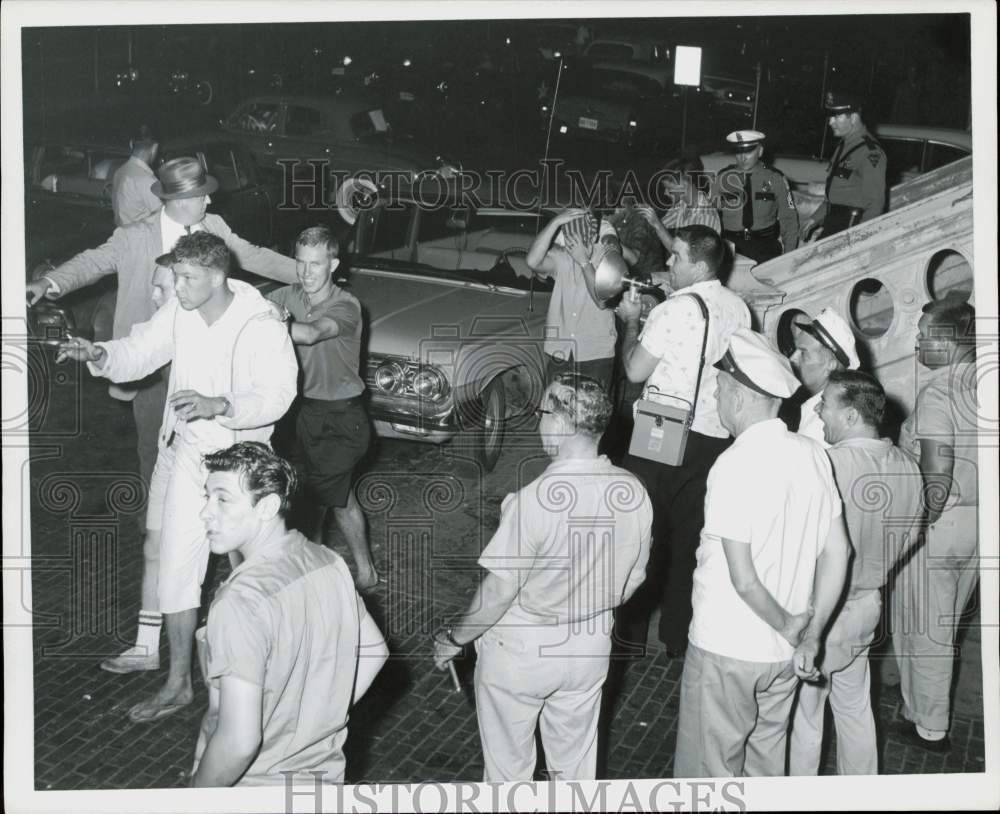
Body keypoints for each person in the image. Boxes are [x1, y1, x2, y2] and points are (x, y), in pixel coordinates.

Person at [56, 232, 298, 723]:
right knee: (176, 570)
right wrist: (99, 354)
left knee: (255, 572)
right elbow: (141, 347)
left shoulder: (261, 323)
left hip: (240, 463)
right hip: (189, 454)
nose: (176, 288)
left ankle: (278, 671)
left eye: (187, 278)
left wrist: (222, 405)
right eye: (176, 277)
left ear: (217, 276)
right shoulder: (182, 312)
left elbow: (280, 395)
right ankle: (178, 683)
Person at [27, 156, 297, 497]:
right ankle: (153, 527)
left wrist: (303, 274)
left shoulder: (214, 226)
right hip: (151, 355)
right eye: (203, 195)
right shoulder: (134, 236)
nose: (210, 200)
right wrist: (49, 282)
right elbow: (92, 261)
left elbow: (253, 255)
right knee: (155, 443)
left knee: (214, 445)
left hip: (204, 354)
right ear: (181, 201)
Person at [432, 374, 652, 781]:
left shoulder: (532, 501)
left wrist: (454, 639)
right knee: (575, 770)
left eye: (542, 413)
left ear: (561, 424)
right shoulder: (634, 492)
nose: (538, 422)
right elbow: (633, 582)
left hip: (522, 653)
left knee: (508, 773)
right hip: (589, 647)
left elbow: (498, 594)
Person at [673, 329, 851, 778]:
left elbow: (744, 578)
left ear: (739, 395)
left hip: (727, 648)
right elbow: (839, 552)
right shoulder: (813, 453)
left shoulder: (734, 464)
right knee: (764, 775)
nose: (715, 399)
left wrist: (789, 624)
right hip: (782, 658)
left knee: (706, 779)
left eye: (719, 390)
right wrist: (810, 634)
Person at [190, 442, 388, 786]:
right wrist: (317, 718)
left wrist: (196, 798)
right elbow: (375, 651)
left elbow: (238, 743)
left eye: (222, 499)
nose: (205, 512)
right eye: (206, 497)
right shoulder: (327, 560)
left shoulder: (239, 602)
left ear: (266, 506)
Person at [616, 224, 750, 656]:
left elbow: (635, 371)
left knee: (641, 531)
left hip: (663, 422)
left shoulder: (673, 310)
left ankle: (627, 636)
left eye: (675, 256)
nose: (668, 262)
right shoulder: (739, 308)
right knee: (689, 538)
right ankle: (677, 635)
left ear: (698, 264)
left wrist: (632, 321)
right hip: (715, 432)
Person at [789, 370, 923, 775]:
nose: (817, 410)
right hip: (867, 606)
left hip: (822, 614)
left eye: (825, 404)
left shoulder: (826, 465)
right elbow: (912, 535)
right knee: (855, 709)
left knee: (806, 718)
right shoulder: (907, 465)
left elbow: (799, 544)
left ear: (848, 417)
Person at [267, 226, 380, 592]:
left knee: (310, 503)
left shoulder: (347, 305)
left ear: (333, 263)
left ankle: (308, 585)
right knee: (340, 497)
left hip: (342, 419)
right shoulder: (289, 294)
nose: (306, 273)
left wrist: (277, 320)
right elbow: (246, 302)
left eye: (315, 264)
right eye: (300, 263)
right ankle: (366, 571)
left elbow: (312, 333)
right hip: (301, 414)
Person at [892, 294, 979, 752]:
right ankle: (914, 700)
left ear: (946, 342)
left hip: (939, 525)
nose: (917, 343)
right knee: (939, 622)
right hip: (980, 524)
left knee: (926, 627)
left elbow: (937, 479)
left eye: (923, 336)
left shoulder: (941, 391)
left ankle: (929, 728)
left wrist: (914, 529)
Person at [98, 262, 177, 673]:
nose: (154, 297)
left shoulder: (227, 324)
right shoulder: (166, 324)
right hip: (174, 449)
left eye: (162, 289)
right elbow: (133, 352)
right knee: (154, 545)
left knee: (237, 553)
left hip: (219, 455)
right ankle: (147, 647)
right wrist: (99, 353)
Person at [526, 208, 619, 392]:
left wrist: (584, 262)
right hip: (560, 351)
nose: (573, 237)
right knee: (554, 413)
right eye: (568, 230)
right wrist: (555, 222)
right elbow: (532, 262)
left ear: (593, 232)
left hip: (595, 355)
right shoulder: (562, 257)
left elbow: (602, 301)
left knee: (590, 416)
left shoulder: (609, 257)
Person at [801, 92, 887, 241]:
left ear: (853, 118)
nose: (830, 122)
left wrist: (858, 239)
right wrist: (815, 218)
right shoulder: (844, 145)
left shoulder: (870, 153)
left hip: (850, 227)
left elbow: (875, 205)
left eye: (837, 117)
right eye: (830, 117)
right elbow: (837, 194)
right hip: (834, 223)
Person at [711, 130, 798, 263]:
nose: (743, 157)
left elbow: (789, 219)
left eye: (748, 151)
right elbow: (711, 216)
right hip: (731, 247)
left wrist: (789, 257)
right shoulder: (723, 178)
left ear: (760, 151)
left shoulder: (775, 178)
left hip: (765, 247)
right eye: (738, 152)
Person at [789, 308, 861, 446]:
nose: (792, 359)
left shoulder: (822, 424)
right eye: (795, 350)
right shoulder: (818, 410)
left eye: (803, 353)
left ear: (830, 365)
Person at [636, 156, 721, 256]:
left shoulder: (705, 216)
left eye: (669, 188)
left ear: (684, 184)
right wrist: (645, 214)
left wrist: (657, 224)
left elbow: (685, 256)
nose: (665, 192)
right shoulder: (682, 204)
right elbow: (662, 225)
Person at [111, 125, 161, 227]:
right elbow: (162, 217)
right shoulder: (147, 179)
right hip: (141, 239)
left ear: (131, 144)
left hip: (121, 236)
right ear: (155, 147)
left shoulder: (119, 172)